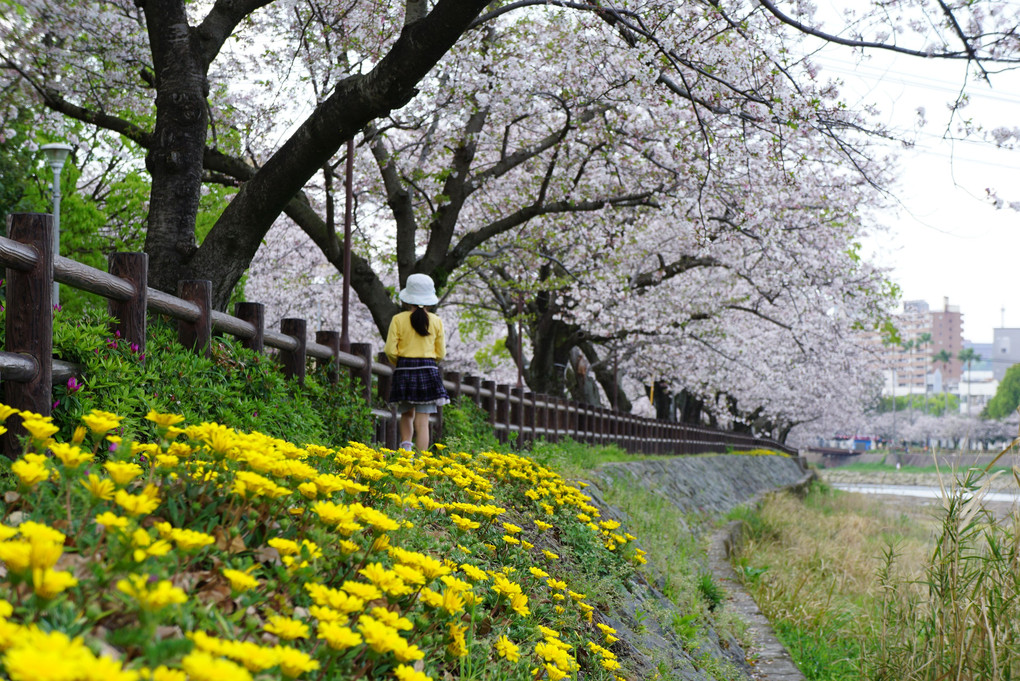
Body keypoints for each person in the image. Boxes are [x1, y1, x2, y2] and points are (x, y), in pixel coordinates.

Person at [384, 273, 449, 452]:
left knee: (406, 414)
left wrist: (400, 362)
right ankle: (421, 462)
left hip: (405, 370)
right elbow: (441, 352)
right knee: (423, 421)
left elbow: (389, 349)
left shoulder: (398, 319)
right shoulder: (436, 321)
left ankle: (406, 452)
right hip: (428, 370)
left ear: (408, 298)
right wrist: (429, 360)